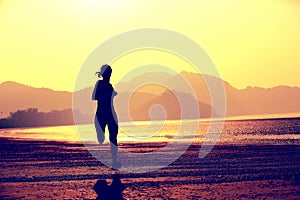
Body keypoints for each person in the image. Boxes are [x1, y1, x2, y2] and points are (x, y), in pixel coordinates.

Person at [92, 64, 121, 170]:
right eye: (109, 73)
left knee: (113, 138)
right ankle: (100, 133)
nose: (110, 75)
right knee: (101, 139)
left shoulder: (110, 86)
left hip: (111, 114)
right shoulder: (100, 84)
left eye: (110, 73)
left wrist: (111, 93)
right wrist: (107, 93)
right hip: (101, 114)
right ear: (105, 74)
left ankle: (114, 161)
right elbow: (94, 97)